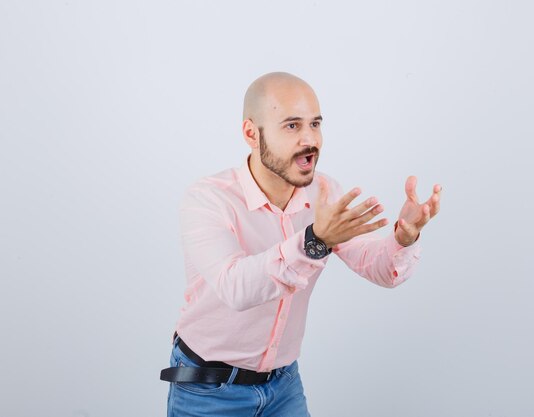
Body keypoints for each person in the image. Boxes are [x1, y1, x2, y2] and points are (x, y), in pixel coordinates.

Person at [160, 72, 442, 417]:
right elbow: (236, 288)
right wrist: (314, 241)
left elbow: (380, 268)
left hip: (283, 386)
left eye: (315, 124)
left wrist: (404, 236)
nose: (310, 139)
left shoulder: (323, 194)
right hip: (208, 389)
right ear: (252, 133)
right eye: (292, 126)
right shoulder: (207, 199)